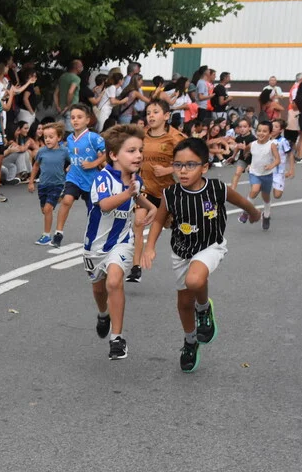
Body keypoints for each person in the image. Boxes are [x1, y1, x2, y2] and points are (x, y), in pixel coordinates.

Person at [140, 138, 261, 372]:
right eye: (178, 165)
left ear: (204, 167)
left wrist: (253, 213)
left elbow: (242, 201)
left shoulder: (217, 189)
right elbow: (158, 220)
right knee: (184, 303)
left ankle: (204, 308)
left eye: (190, 165)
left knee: (194, 280)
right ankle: (190, 341)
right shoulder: (170, 193)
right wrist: (150, 246)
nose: (183, 171)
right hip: (181, 251)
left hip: (210, 246)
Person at [82, 124, 156, 361]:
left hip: (122, 242)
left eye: (140, 150)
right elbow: (105, 205)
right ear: (113, 155)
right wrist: (129, 193)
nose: (138, 155)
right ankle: (103, 314)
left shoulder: (136, 180)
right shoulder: (102, 179)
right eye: (131, 151)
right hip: (95, 247)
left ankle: (117, 338)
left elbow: (136, 195)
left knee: (114, 281)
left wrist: (151, 207)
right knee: (98, 288)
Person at [127, 99, 184, 282]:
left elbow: (190, 161)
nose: (151, 116)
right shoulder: (141, 136)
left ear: (166, 116)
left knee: (175, 228)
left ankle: (188, 260)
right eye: (148, 112)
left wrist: (168, 170)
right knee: (138, 222)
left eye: (155, 112)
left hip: (168, 193)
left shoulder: (176, 138)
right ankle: (135, 268)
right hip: (146, 189)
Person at [52, 103, 106, 248]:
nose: (75, 120)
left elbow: (106, 154)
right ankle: (58, 233)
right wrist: (71, 165)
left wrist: (94, 163)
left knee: (93, 210)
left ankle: (94, 235)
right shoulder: (69, 139)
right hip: (74, 177)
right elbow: (73, 155)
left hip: (91, 179)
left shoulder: (93, 137)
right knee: (67, 200)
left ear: (87, 120)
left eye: (79, 117)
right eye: (73, 117)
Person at [29, 122, 69, 245]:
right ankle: (57, 200)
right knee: (44, 210)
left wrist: (70, 169)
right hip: (43, 185)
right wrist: (31, 182)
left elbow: (73, 162)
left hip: (57, 184)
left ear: (59, 137)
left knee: (47, 209)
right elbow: (36, 166)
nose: (47, 140)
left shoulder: (64, 151)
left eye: (51, 137)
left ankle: (46, 235)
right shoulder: (41, 151)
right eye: (45, 137)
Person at [241, 120, 279, 230]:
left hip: (267, 175)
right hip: (254, 173)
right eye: (259, 131)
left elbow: (278, 160)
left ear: (270, 133)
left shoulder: (271, 145)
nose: (261, 133)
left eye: (264, 131)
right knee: (255, 190)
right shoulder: (252, 144)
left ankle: (266, 215)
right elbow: (245, 151)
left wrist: (271, 165)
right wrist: (246, 158)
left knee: (266, 197)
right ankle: (246, 211)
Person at [55, 60, 83, 130]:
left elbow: (55, 93)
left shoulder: (62, 76)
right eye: (81, 66)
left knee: (59, 132)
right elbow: (71, 91)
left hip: (60, 109)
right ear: (76, 67)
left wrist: (57, 106)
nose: (82, 68)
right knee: (69, 133)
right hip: (71, 109)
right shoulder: (76, 78)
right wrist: (68, 106)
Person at [270, 118, 293, 200]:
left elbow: (290, 154)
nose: (273, 128)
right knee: (259, 189)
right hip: (266, 170)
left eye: (276, 127)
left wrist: (291, 170)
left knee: (277, 195)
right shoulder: (266, 139)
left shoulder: (283, 141)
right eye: (272, 126)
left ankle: (275, 185)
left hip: (278, 171)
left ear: (281, 130)